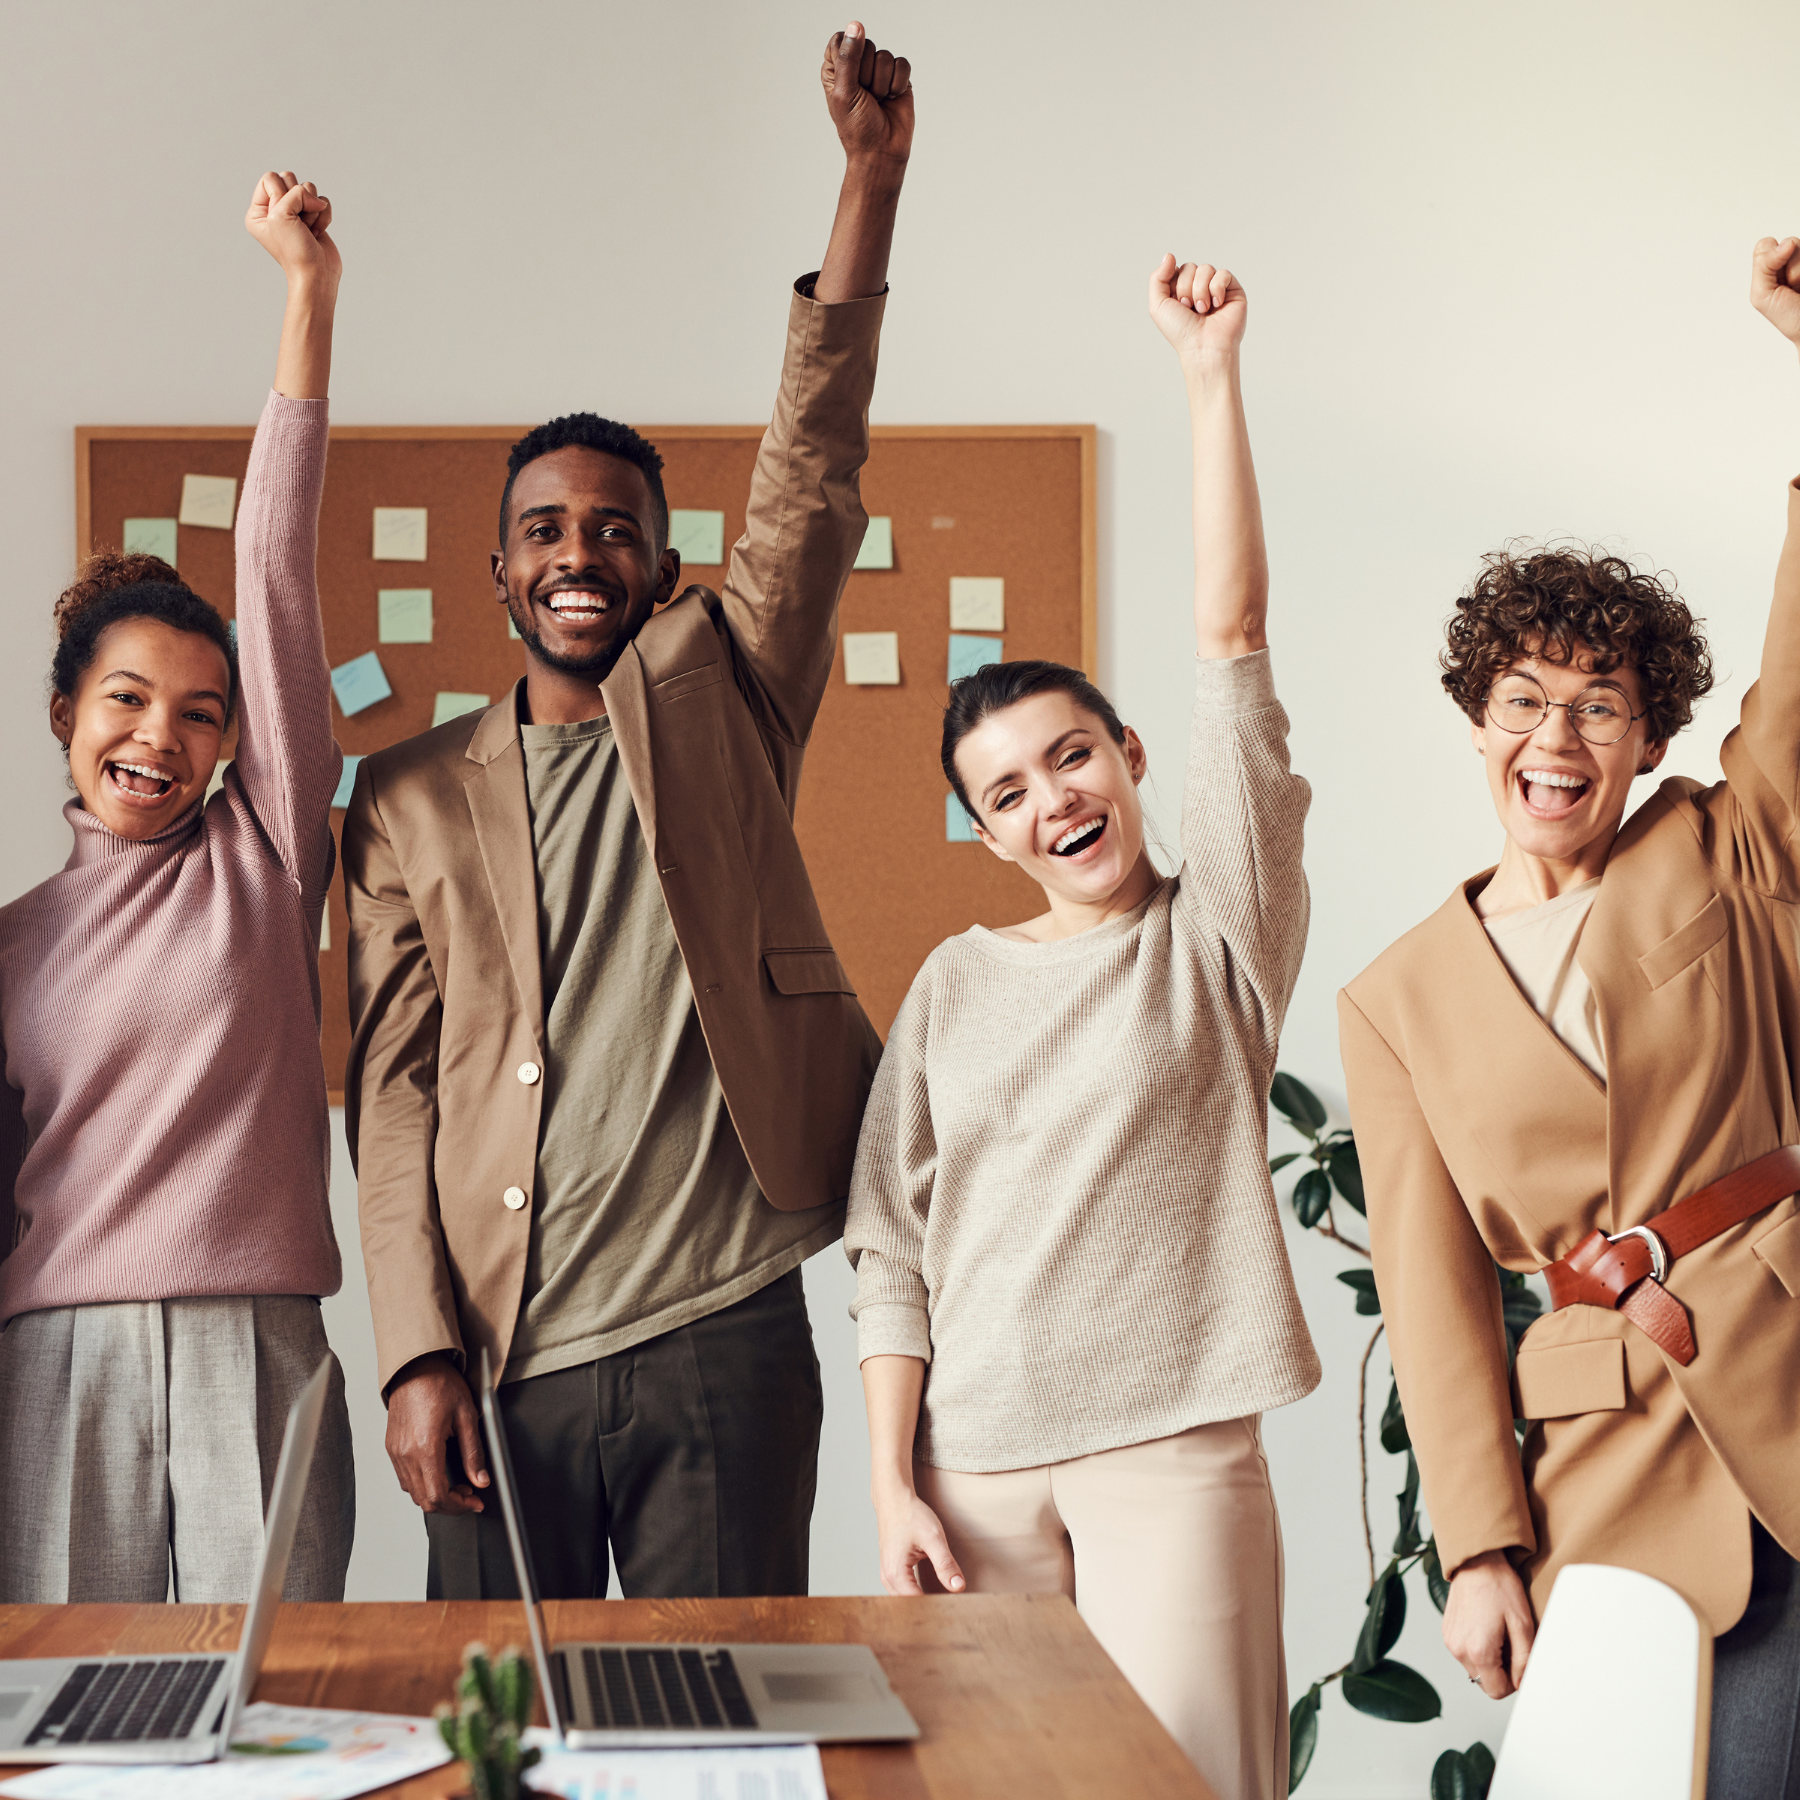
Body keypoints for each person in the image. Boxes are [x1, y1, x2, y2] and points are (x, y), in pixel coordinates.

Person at [343, 23, 911, 1602]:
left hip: (720, 1327)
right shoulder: (401, 801)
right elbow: (390, 1102)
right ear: (502, 571)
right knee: (494, 1735)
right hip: (498, 1348)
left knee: (716, 1735)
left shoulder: (726, 690)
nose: (577, 552)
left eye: (613, 530)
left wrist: (869, 185)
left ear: (664, 568)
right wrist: (412, 1356)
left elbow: (811, 469)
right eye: (543, 530)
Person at [843, 255, 1319, 1800]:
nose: (1055, 801)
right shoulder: (952, 985)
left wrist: (1207, 380)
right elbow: (889, 1249)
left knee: (1192, 1790)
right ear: (985, 831)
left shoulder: (1216, 941)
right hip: (971, 1474)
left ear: (1125, 755)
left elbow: (1232, 640)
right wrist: (893, 1478)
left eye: (1072, 758)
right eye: (1010, 792)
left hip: (1171, 1458)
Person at [1339, 238, 1800, 1800]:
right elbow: (1435, 1298)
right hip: (1610, 1464)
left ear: (1650, 732)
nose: (1559, 735)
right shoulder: (1393, 1001)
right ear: (1478, 719)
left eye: (1600, 703)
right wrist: (1478, 1545)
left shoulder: (1718, 847)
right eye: (1526, 699)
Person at [0, 171, 354, 1603]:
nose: (162, 735)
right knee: (52, 1722)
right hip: (50, 1356)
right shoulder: (13, 942)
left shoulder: (263, 858)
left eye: (202, 712)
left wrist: (306, 296)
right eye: (128, 699)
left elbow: (270, 569)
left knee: (270, 1716)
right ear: (67, 711)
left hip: (253, 1345)